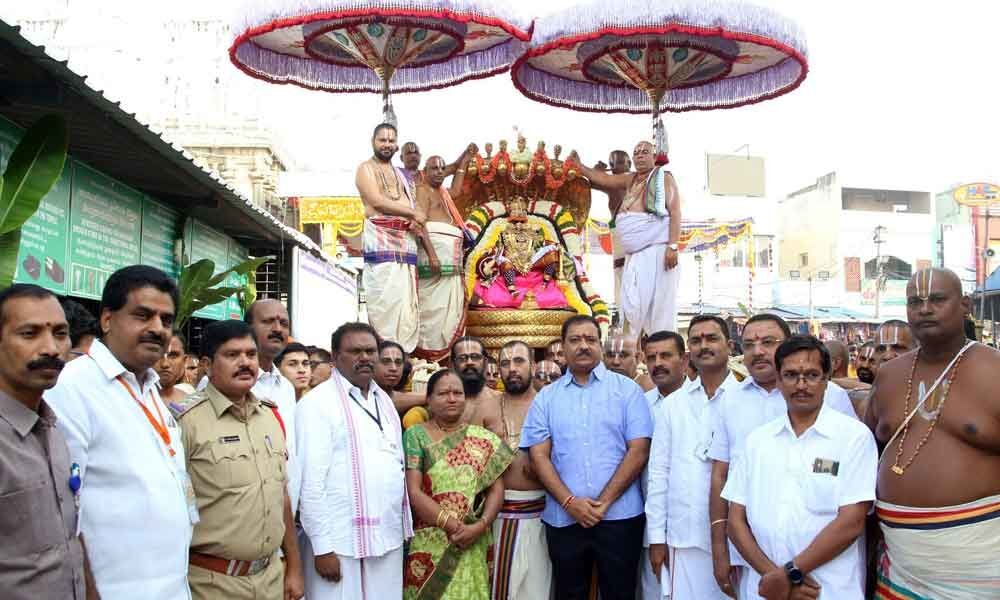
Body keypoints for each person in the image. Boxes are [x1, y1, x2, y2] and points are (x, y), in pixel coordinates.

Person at [47, 265, 195, 599]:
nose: (157, 329)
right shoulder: (72, 387)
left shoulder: (150, 387)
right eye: (143, 315)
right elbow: (64, 512)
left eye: (166, 320)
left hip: (171, 585)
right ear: (108, 319)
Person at [867, 267, 1000, 598]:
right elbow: (864, 450)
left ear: (965, 305)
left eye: (937, 299)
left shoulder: (995, 370)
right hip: (900, 561)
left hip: (981, 559)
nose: (924, 309)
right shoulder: (889, 375)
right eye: (915, 301)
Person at [707, 313, 856, 598]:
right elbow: (720, 476)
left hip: (822, 569)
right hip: (751, 557)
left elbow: (851, 501)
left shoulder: (832, 397)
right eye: (748, 344)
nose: (757, 351)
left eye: (767, 342)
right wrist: (720, 549)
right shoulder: (731, 401)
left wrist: (790, 574)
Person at [522, 315, 653, 600]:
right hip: (564, 520)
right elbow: (539, 457)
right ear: (563, 347)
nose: (583, 346)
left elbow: (638, 450)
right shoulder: (546, 398)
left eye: (590, 339)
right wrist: (570, 503)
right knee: (569, 593)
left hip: (620, 518)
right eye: (575, 340)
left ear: (600, 346)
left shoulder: (627, 391)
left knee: (620, 593)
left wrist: (602, 503)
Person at [172, 320, 304, 600]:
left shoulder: (269, 416)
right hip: (211, 584)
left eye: (251, 354)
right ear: (207, 364)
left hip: (270, 578)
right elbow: (167, 509)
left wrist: (294, 565)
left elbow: (281, 495)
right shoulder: (184, 422)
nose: (245, 362)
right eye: (232, 355)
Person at [296, 322, 412, 599]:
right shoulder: (317, 405)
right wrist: (322, 548)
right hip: (339, 544)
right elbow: (310, 483)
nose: (365, 358)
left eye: (370, 351)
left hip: (385, 538)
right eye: (355, 351)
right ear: (335, 357)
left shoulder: (382, 400)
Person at [0, 284, 98, 599]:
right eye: (29, 334)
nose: (51, 349)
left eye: (60, 333)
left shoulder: (53, 428)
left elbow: (72, 540)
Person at [646, 315, 740, 600]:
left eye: (712, 338)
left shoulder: (747, 399)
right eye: (696, 340)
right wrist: (657, 538)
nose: (704, 346)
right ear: (689, 353)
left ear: (730, 346)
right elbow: (659, 473)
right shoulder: (673, 405)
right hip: (684, 536)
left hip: (738, 539)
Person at [403, 369, 514, 599]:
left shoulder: (483, 438)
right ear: (430, 399)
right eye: (443, 393)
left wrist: (479, 526)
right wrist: (456, 528)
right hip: (432, 542)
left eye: (457, 393)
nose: (452, 398)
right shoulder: (415, 435)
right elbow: (413, 492)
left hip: (474, 539)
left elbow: (496, 488)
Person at [572, 141, 681, 335]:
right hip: (632, 255)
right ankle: (633, 352)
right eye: (637, 152)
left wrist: (673, 246)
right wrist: (580, 167)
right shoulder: (630, 180)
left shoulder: (662, 178)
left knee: (659, 308)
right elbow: (602, 179)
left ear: (655, 157)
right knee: (630, 306)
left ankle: (662, 348)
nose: (640, 155)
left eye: (645, 152)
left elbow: (675, 211)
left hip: (657, 251)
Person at [492, 341, 553, 600]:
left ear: (533, 365)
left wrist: (545, 468)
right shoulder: (487, 406)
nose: (512, 369)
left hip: (544, 516)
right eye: (505, 363)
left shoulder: (551, 405)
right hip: (498, 517)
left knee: (539, 589)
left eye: (519, 361)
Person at [356, 123, 423, 352]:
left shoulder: (401, 175)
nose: (387, 144)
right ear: (372, 141)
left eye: (391, 140)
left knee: (406, 302)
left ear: (397, 144)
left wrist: (414, 219)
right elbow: (377, 201)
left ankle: (404, 356)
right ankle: (385, 353)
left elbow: (409, 203)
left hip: (406, 243)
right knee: (386, 300)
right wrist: (413, 213)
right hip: (381, 241)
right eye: (382, 140)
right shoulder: (365, 168)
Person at [637, 330, 687, 599]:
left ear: (684, 360)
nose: (658, 363)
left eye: (666, 355)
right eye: (652, 357)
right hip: (650, 525)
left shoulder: (703, 403)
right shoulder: (640, 405)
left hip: (693, 528)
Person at [245, 299, 300, 515]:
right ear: (248, 328)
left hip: (285, 514)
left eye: (283, 323)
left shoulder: (286, 387)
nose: (277, 329)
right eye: (268, 321)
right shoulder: (226, 384)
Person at [415, 154, 469, 359]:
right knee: (431, 314)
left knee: (448, 317)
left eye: (442, 168)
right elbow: (419, 225)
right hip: (433, 266)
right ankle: (425, 362)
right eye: (434, 168)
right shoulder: (422, 191)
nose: (439, 171)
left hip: (451, 271)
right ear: (425, 171)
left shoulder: (444, 194)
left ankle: (444, 363)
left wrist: (463, 164)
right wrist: (433, 256)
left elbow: (456, 190)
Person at [451, 336, 502, 428]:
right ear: (453, 365)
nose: (469, 362)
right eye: (462, 358)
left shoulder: (501, 400)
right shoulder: (443, 403)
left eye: (475, 357)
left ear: (486, 363)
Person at [157, 332, 192, 405]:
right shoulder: (132, 401)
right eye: (158, 354)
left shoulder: (190, 402)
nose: (165, 364)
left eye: (173, 356)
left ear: (184, 360)